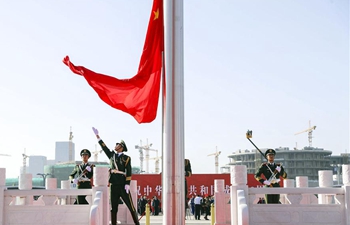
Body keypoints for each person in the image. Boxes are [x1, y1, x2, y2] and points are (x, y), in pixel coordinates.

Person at [92, 127, 140, 225]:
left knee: (131, 206)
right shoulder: (112, 155)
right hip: (113, 183)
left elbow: (129, 172)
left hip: (122, 184)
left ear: (121, 147)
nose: (116, 145)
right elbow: (104, 148)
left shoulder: (126, 158)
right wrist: (98, 137)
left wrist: (127, 184)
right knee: (113, 208)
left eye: (117, 144)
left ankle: (137, 224)